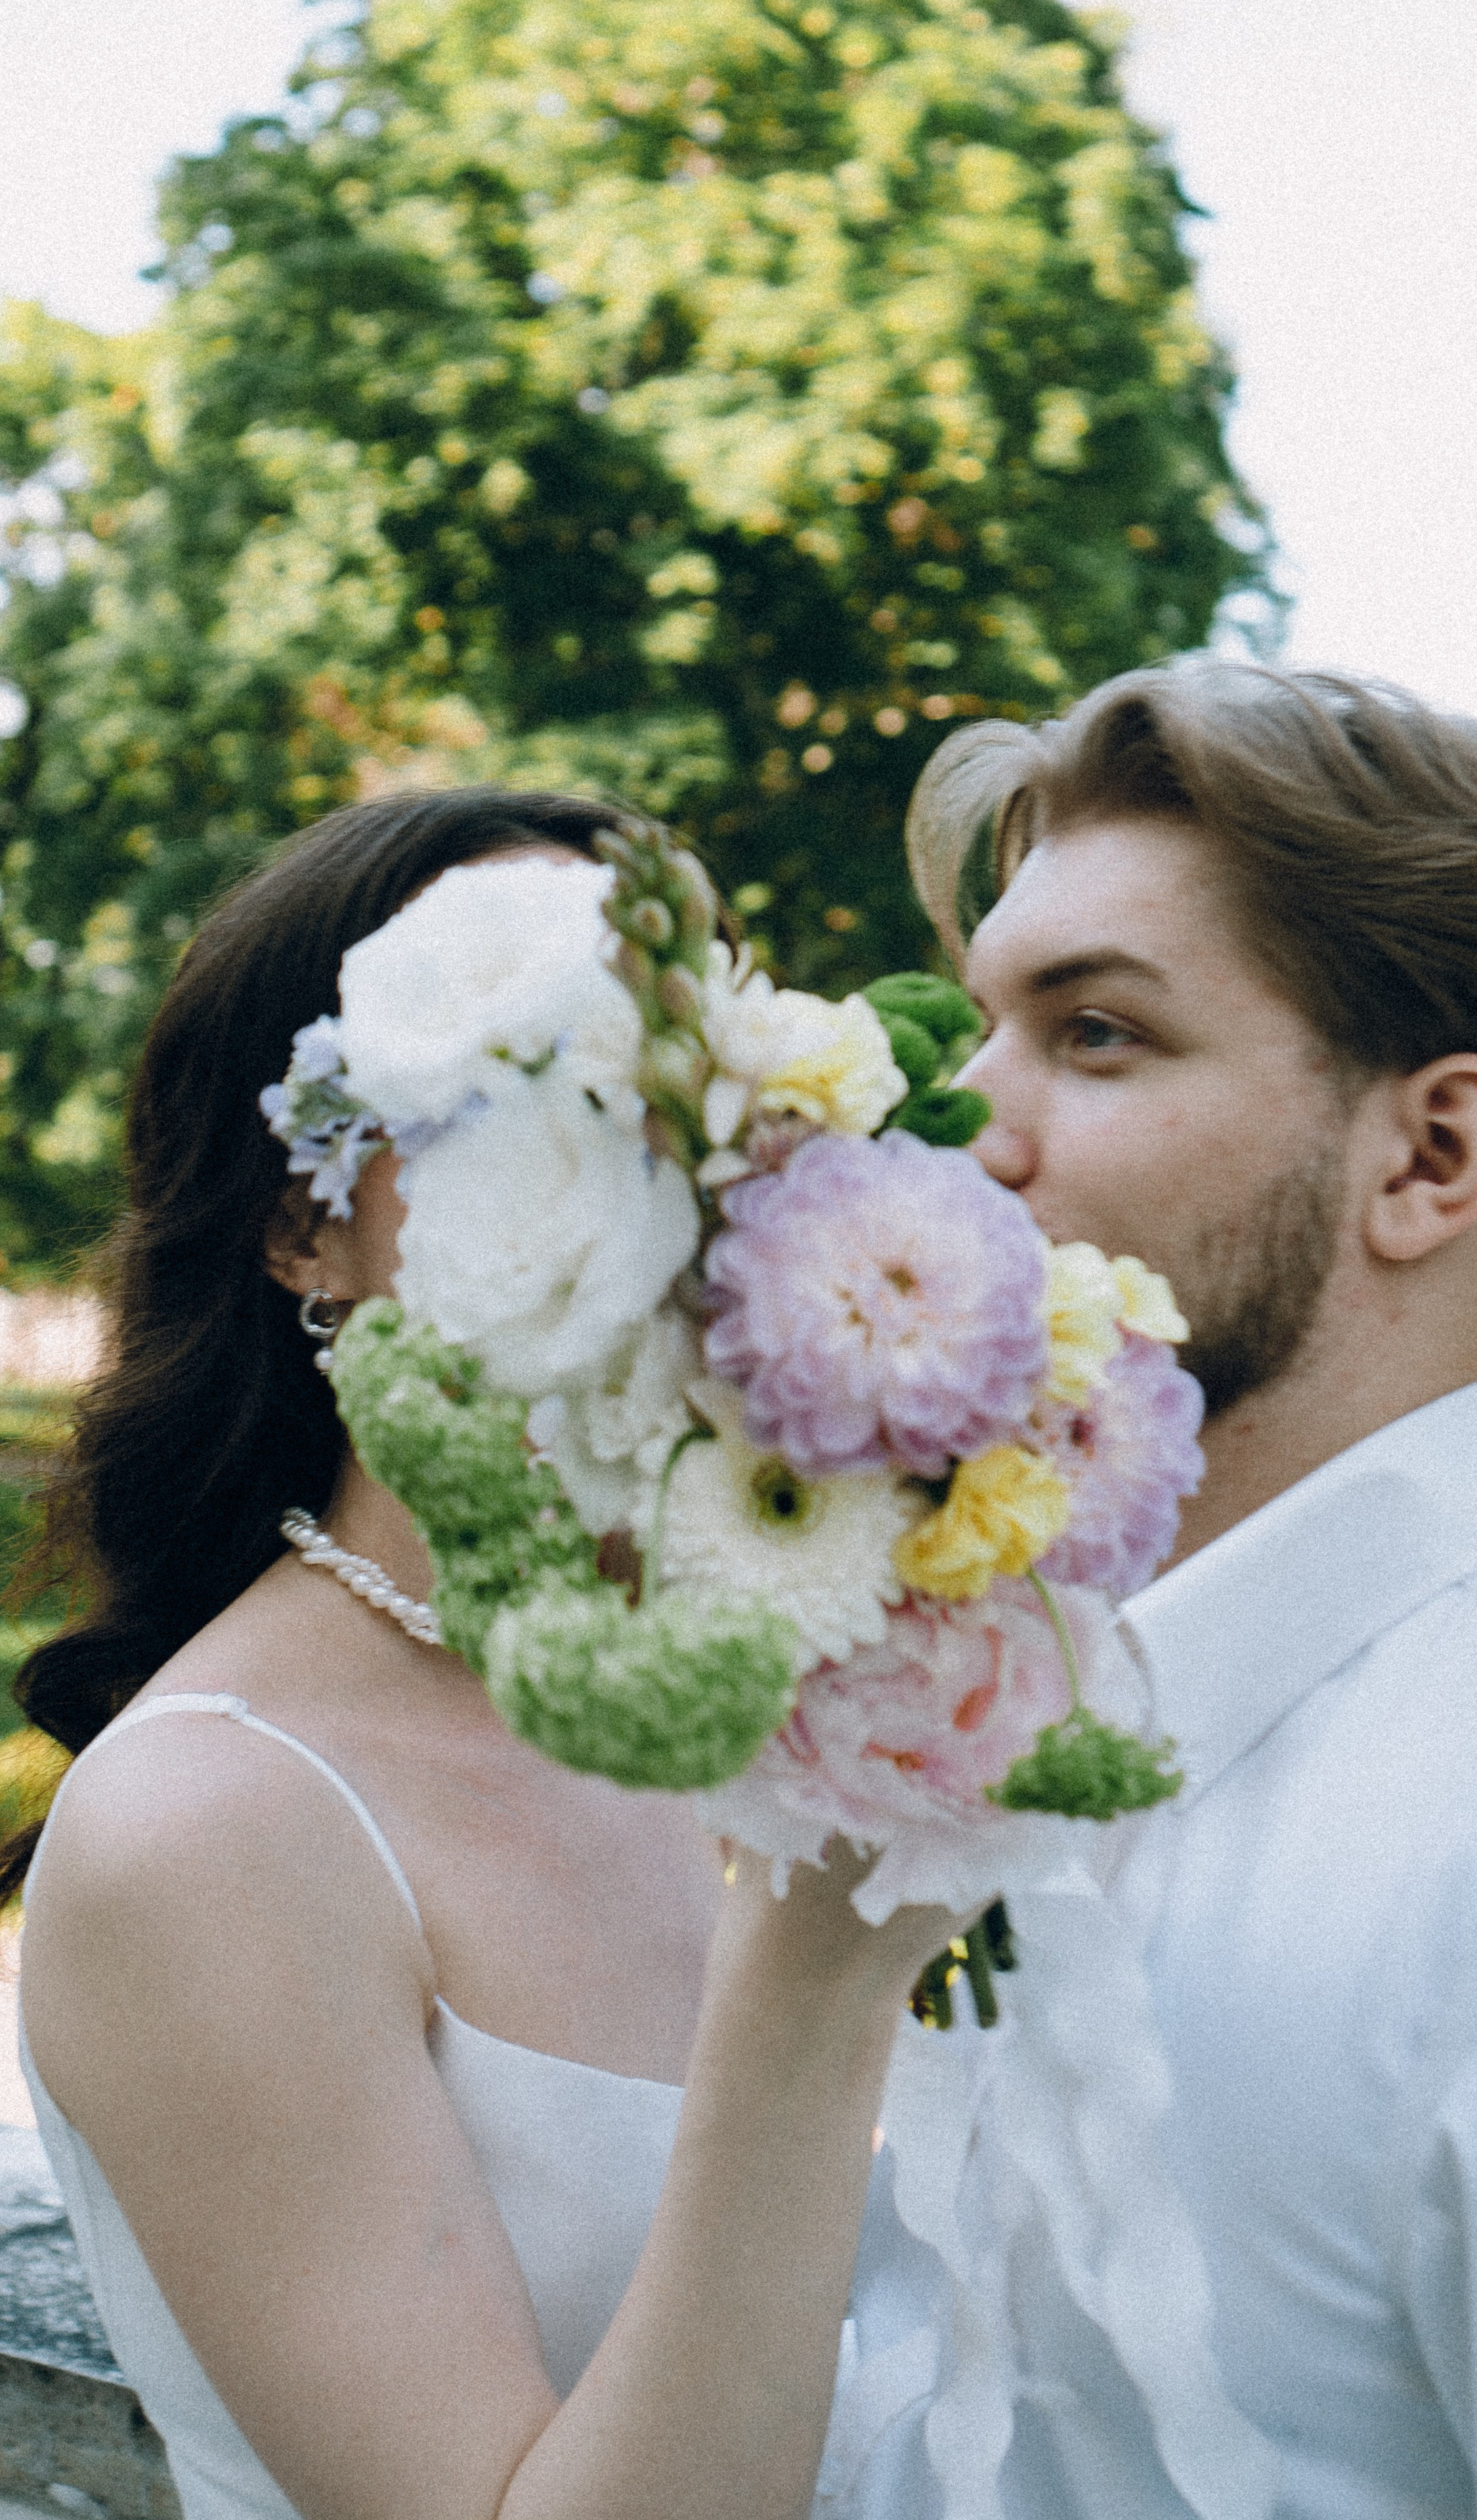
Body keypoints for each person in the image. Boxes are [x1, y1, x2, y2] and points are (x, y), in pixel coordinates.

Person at [0, 788, 966, 2520]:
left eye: (679, 1082)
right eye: (528, 1089)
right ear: (306, 1225)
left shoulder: (791, 1665)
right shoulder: (209, 1827)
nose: (642, 1156)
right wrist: (818, 1968)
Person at [908, 658, 1477, 2515]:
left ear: (1432, 1154)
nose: (964, 1122)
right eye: (984, 1027)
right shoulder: (971, 1703)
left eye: (1097, 1036)